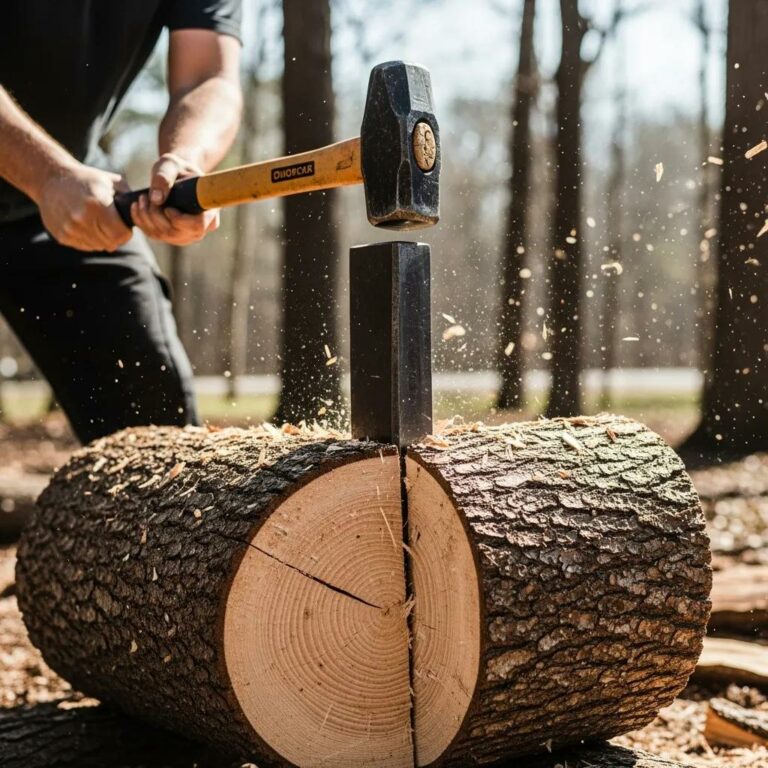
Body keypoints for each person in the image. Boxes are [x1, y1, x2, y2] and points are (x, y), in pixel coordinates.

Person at [0, 2, 242, 443]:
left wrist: (187, 160)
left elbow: (208, 74)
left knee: (155, 430)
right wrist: (47, 175)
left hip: (66, 192)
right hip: (55, 179)